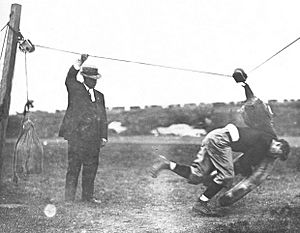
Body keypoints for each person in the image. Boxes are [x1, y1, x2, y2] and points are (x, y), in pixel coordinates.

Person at [150, 68, 290, 216]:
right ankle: (201, 204)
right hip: (221, 141)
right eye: (278, 151)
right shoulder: (266, 139)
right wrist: (245, 84)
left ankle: (166, 164)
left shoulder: (265, 139)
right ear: (278, 144)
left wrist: (244, 84)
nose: (274, 153)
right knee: (226, 177)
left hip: (215, 137)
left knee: (197, 175)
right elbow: (255, 105)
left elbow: (254, 104)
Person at [59, 54, 108, 204]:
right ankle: (69, 199)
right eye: (91, 79)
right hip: (77, 137)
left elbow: (103, 117)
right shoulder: (76, 89)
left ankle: (88, 197)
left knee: (91, 168)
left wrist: (104, 136)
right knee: (73, 167)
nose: (93, 82)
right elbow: (69, 78)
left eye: (95, 79)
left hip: (93, 139)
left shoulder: (100, 95)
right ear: (84, 78)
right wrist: (79, 62)